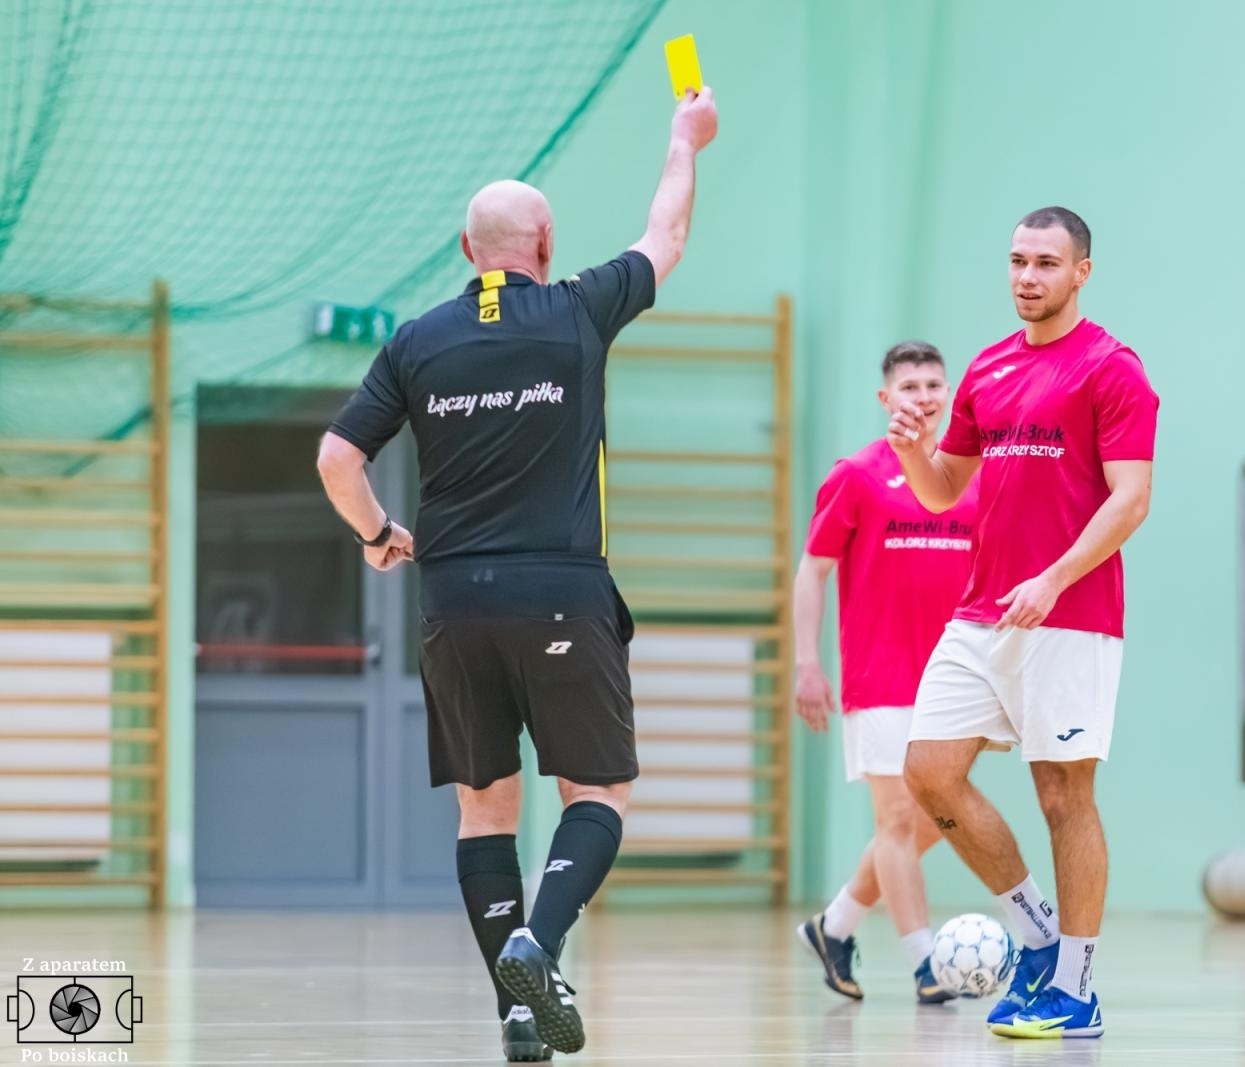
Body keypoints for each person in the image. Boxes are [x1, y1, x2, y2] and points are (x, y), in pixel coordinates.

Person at [315, 87, 718, 1061]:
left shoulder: (416, 340)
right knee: (598, 789)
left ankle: (519, 1011)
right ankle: (539, 942)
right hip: (562, 592)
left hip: (452, 602)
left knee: (483, 806)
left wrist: (379, 533)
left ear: (467, 251)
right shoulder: (579, 308)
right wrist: (683, 138)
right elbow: (665, 234)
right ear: (545, 242)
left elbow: (336, 458)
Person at [887, 206, 1158, 1040]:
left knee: (1062, 795)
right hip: (984, 612)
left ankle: (1076, 988)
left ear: (1081, 272)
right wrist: (912, 448)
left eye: (1045, 262)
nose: (1027, 276)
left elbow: (1132, 499)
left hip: (1071, 615)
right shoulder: (989, 367)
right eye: (1017, 261)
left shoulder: (1112, 368)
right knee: (928, 772)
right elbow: (944, 490)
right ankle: (1038, 933)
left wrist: (1056, 575)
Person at [793, 341, 980, 1005]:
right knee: (898, 817)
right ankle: (926, 965)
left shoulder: (971, 476)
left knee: (939, 816)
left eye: (934, 385)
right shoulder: (857, 475)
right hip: (882, 677)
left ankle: (835, 924)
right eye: (910, 386)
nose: (923, 397)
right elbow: (813, 569)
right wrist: (808, 663)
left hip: (957, 682)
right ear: (886, 399)